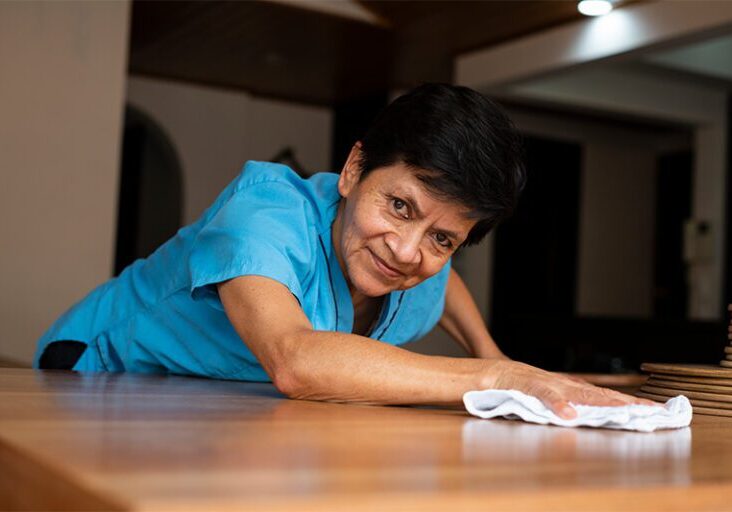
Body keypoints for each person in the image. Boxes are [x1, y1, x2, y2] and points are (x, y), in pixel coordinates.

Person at [34, 83, 652, 418]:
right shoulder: (264, 213)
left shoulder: (413, 266)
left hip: (212, 397)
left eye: (444, 238)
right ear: (356, 168)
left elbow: (444, 285)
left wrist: (492, 347)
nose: (408, 252)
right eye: (400, 205)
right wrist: (497, 375)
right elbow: (296, 361)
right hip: (96, 373)